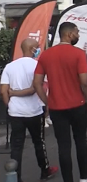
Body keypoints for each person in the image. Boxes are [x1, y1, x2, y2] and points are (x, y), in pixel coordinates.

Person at [34, 22, 87, 182]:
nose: (78, 35)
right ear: (69, 34)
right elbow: (84, 82)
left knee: (63, 146)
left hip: (56, 107)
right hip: (78, 104)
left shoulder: (46, 55)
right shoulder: (78, 54)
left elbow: (37, 83)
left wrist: (47, 101)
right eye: (77, 32)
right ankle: (84, 177)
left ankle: (68, 179)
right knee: (81, 141)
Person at [1, 38, 58, 182]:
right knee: (39, 142)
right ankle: (45, 171)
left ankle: (15, 176)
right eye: (37, 47)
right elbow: (35, 89)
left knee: (16, 145)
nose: (39, 49)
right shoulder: (37, 65)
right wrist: (47, 105)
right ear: (32, 49)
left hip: (15, 113)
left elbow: (3, 91)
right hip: (35, 111)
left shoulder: (10, 67)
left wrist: (10, 104)